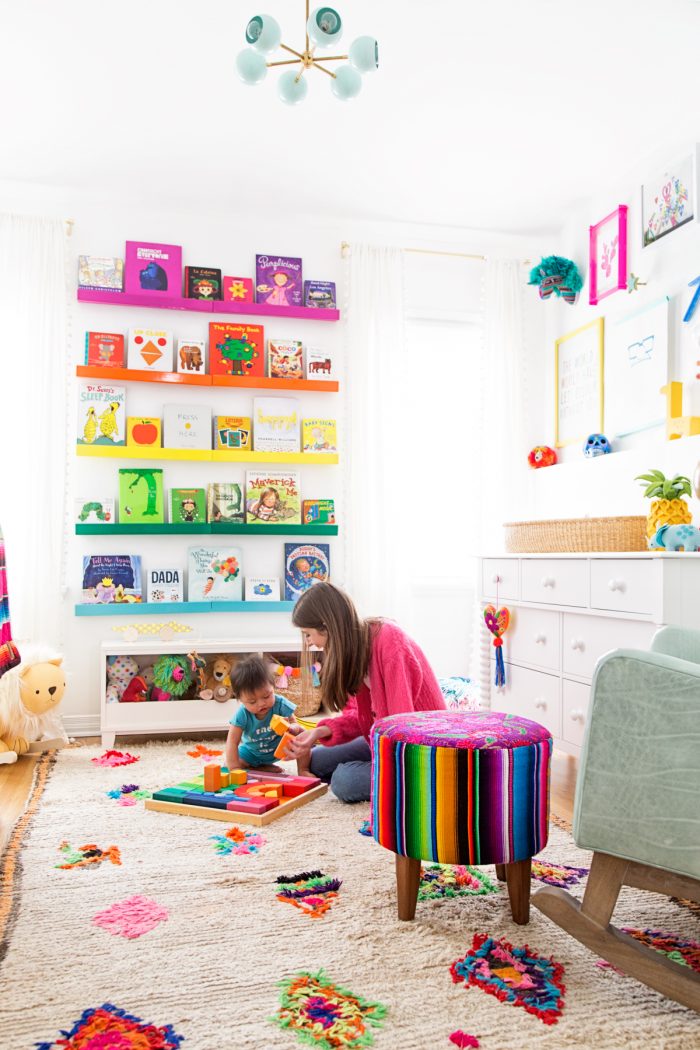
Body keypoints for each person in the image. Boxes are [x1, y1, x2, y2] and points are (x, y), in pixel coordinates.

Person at [285, 582, 446, 803]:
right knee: (315, 761)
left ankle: (417, 783)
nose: (310, 643)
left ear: (326, 626)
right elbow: (356, 717)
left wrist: (384, 765)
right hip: (381, 737)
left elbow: (403, 725)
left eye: (308, 634)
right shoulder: (353, 651)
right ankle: (376, 772)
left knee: (344, 781)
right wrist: (318, 733)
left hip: (417, 750)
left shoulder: (389, 640)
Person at [225, 655, 302, 773]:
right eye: (252, 701)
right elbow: (232, 741)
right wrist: (235, 768)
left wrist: (292, 728)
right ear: (240, 699)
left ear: (273, 686)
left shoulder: (280, 704)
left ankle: (304, 770)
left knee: (304, 738)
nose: (261, 704)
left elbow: (294, 723)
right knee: (229, 762)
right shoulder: (242, 714)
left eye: (266, 696)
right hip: (252, 753)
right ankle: (260, 768)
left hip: (280, 749)